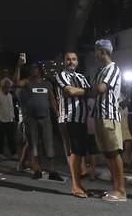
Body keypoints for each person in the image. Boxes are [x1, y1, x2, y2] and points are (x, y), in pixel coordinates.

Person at [13, 55, 62, 181]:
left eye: (36, 68)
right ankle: (36, 170)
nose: (33, 70)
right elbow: (16, 83)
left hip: (45, 118)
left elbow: (52, 100)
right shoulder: (27, 82)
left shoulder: (47, 84)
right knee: (33, 145)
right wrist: (18, 66)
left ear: (40, 70)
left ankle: (52, 171)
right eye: (32, 68)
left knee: (49, 144)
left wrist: (58, 114)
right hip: (31, 119)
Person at [93, 39, 127, 202]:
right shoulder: (100, 71)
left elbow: (100, 88)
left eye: (96, 50)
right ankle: (115, 187)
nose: (95, 54)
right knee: (107, 153)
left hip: (109, 115)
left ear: (102, 51)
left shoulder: (113, 69)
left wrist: (87, 89)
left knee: (114, 152)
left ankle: (121, 190)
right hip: (99, 115)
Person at [54, 51, 91, 198]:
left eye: (74, 59)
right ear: (64, 61)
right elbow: (69, 91)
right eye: (68, 59)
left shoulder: (81, 77)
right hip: (68, 118)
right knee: (73, 152)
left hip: (82, 119)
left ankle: (79, 184)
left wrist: (81, 91)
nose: (71, 62)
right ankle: (75, 186)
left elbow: (90, 92)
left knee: (79, 152)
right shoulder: (61, 75)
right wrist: (85, 91)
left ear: (77, 61)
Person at [0, 77, 17, 157]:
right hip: (1, 120)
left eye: (9, 87)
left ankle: (13, 153)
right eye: (7, 86)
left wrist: (13, 117)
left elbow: (11, 107)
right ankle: (0, 153)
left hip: (10, 119)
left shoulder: (10, 95)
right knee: (1, 138)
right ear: (3, 86)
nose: (8, 88)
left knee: (11, 137)